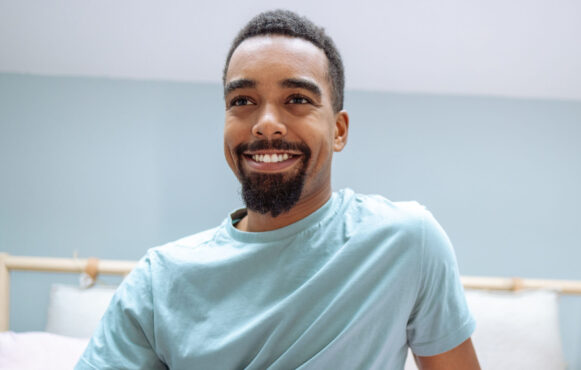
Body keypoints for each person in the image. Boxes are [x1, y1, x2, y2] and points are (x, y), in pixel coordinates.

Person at [76, 9, 480, 370]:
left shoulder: (406, 243)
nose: (266, 123)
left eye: (297, 99)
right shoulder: (158, 282)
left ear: (338, 130)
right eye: (243, 100)